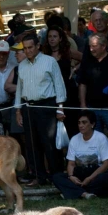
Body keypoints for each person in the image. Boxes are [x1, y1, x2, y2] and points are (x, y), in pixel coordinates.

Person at [14, 34, 67, 186]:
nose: (28, 50)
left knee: (50, 143)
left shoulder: (49, 61)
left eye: (30, 47)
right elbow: (19, 89)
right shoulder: (22, 65)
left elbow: (59, 84)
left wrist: (60, 108)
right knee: (32, 144)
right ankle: (39, 176)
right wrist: (18, 110)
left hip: (47, 105)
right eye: (25, 48)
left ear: (38, 46)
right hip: (28, 106)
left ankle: (57, 176)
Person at [52, 110, 108, 199]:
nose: (81, 125)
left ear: (92, 124)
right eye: (79, 123)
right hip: (82, 173)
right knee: (57, 177)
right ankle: (84, 194)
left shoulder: (101, 138)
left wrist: (90, 178)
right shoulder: (74, 139)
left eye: (84, 122)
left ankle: (74, 192)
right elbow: (71, 164)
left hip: (99, 173)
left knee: (105, 179)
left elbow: (107, 164)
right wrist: (71, 176)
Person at [43, 25, 79, 138]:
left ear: (60, 38)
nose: (52, 39)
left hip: (69, 91)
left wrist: (75, 69)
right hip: (52, 92)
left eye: (54, 36)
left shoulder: (67, 52)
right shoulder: (44, 55)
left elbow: (85, 59)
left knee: (72, 124)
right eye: (49, 36)